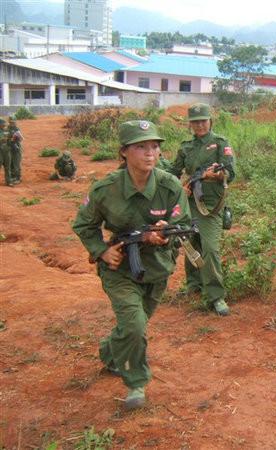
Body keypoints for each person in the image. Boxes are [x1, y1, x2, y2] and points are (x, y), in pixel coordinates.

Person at [72, 120, 191, 410]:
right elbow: (84, 224)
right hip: (120, 269)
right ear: (124, 151)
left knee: (134, 325)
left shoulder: (169, 185)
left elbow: (184, 225)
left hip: (157, 268)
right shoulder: (105, 190)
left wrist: (165, 234)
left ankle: (110, 352)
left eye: (155, 146)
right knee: (135, 325)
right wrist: (101, 251)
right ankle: (136, 384)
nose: (151, 153)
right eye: (141, 147)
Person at [169, 103, 235, 316]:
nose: (199, 125)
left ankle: (216, 295)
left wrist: (214, 175)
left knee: (210, 248)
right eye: (195, 122)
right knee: (190, 243)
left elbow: (230, 173)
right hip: (189, 205)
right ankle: (194, 286)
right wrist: (179, 187)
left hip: (209, 206)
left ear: (210, 121)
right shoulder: (186, 147)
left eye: (203, 121)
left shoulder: (219, 143)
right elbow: (173, 172)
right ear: (190, 125)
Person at [7, 116, 23, 185]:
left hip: (16, 148)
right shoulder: (6, 129)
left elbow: (20, 139)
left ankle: (18, 178)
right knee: (11, 163)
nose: (12, 123)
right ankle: (13, 177)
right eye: (11, 122)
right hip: (9, 148)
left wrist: (14, 140)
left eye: (13, 122)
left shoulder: (17, 129)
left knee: (16, 163)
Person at [0, 118, 13, 186]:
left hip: (7, 151)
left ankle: (8, 181)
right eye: (2, 124)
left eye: (4, 124)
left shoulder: (6, 131)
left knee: (8, 167)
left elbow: (10, 138)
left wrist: (12, 138)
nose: (4, 125)